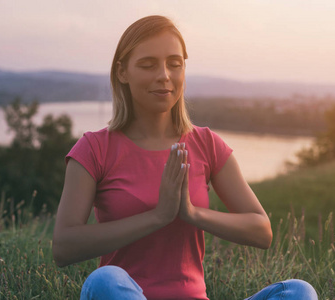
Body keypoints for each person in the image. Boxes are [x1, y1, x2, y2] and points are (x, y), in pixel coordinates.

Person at [52, 15, 318, 300]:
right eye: (148, 64)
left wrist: (191, 212)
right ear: (122, 72)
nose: (164, 75)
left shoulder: (206, 144)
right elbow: (64, 246)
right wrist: (158, 216)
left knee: (298, 292)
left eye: (174, 64)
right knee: (105, 280)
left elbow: (261, 231)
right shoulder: (95, 149)